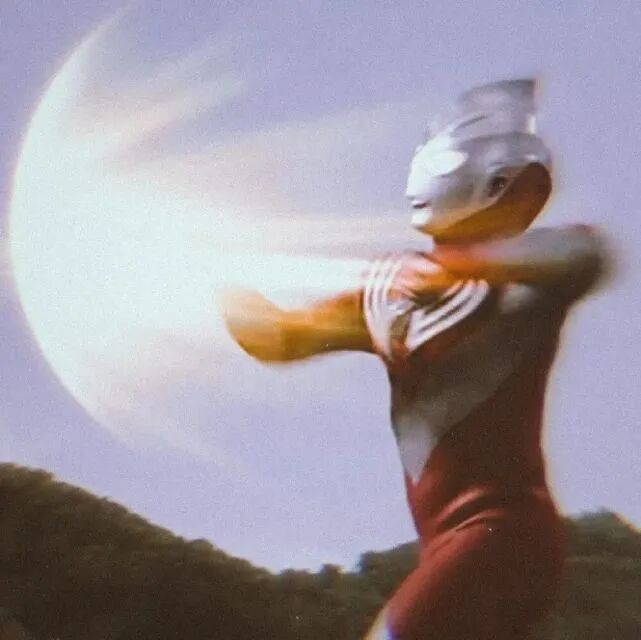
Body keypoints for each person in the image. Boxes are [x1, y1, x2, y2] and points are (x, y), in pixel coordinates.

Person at [221, 79, 606, 640]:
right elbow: (279, 338)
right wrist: (220, 284)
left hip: (501, 534)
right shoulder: (388, 292)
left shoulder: (524, 286)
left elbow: (582, 254)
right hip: (449, 546)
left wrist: (450, 271)